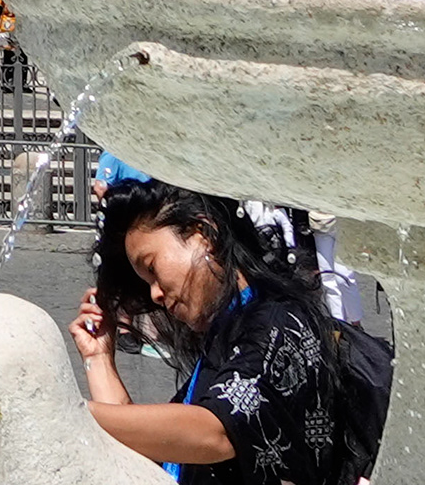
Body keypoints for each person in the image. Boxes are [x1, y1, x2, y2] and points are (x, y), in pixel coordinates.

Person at [72, 181, 359, 484]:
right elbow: (150, 441)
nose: (154, 294)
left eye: (152, 268)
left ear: (204, 235)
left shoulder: (279, 322)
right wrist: (99, 357)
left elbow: (216, 432)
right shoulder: (227, 335)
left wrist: (71, 411)